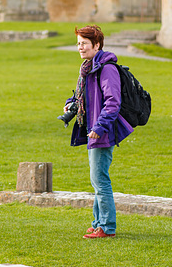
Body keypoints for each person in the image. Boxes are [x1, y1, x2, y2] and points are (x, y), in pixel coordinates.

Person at [64, 25, 134, 239]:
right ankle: (97, 222)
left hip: (101, 131)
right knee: (97, 179)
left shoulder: (106, 68)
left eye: (84, 43)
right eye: (78, 43)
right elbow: (83, 96)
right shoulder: (88, 67)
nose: (80, 47)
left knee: (100, 179)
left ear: (97, 45)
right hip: (92, 129)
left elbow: (113, 102)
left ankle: (106, 227)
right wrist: (70, 104)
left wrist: (99, 127)